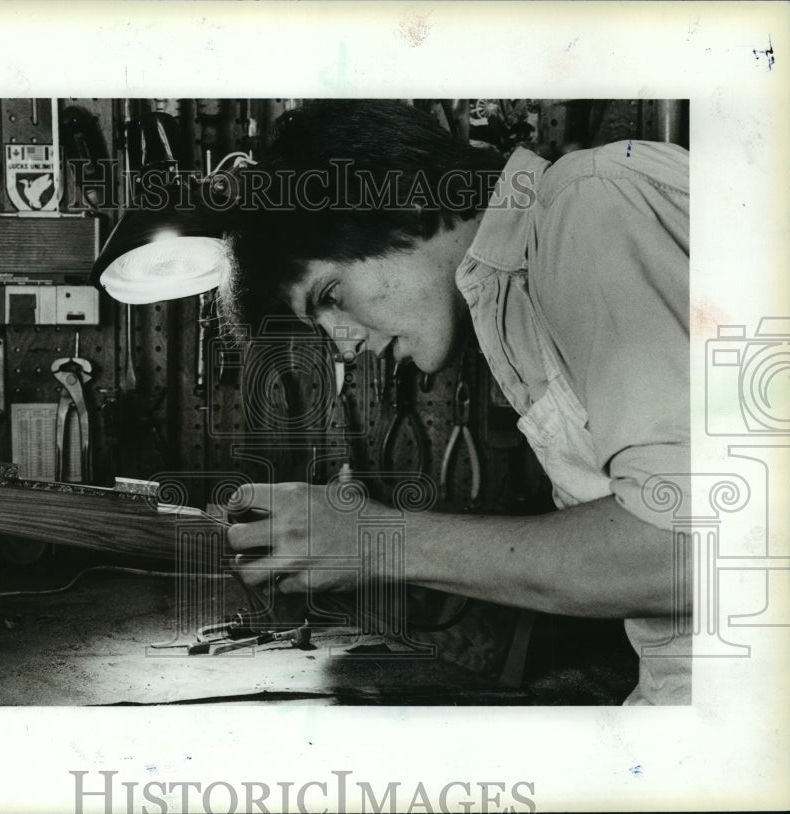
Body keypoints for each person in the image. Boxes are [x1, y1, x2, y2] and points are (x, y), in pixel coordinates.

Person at [217, 100, 690, 705]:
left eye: (330, 295)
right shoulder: (517, 290)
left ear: (401, 202)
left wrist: (375, 540)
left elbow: (688, 547)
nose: (345, 345)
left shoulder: (589, 203)